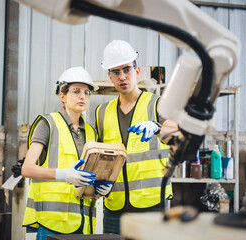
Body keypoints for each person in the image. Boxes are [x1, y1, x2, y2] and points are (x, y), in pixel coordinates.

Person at [95, 40, 179, 234]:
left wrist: (157, 127)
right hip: (114, 206)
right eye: (115, 72)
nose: (122, 76)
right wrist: (97, 181)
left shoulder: (158, 104)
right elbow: (99, 157)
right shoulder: (101, 112)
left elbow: (180, 138)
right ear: (109, 77)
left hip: (151, 204)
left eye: (127, 69)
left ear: (137, 70)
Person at [21, 66, 112, 240]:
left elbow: (90, 174)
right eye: (76, 91)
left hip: (84, 225)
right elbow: (27, 169)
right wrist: (64, 175)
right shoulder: (47, 124)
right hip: (52, 225)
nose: (82, 96)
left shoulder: (91, 133)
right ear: (62, 96)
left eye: (86, 92)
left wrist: (102, 188)